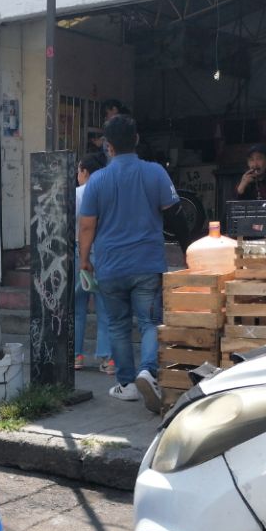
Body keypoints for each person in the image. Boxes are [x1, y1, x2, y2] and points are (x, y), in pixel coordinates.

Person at [78, 114, 177, 409]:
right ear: (136, 139)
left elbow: (87, 226)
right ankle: (149, 371)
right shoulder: (155, 172)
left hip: (110, 265)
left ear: (107, 146)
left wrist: (84, 260)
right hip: (147, 263)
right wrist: (186, 249)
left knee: (118, 325)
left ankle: (127, 384)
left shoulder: (97, 180)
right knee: (149, 322)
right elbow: (174, 214)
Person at [73, 152, 113, 372]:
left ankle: (76, 356)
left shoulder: (78, 194)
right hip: (105, 251)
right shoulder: (109, 193)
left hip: (80, 251)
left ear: (85, 171)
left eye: (78, 171)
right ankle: (108, 359)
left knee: (77, 307)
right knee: (105, 307)